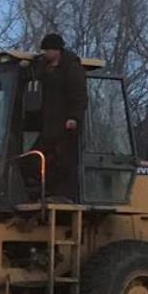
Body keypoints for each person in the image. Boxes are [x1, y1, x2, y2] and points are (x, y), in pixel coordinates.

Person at [33, 33, 87, 201]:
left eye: (47, 50)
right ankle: (43, 191)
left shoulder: (72, 68)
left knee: (63, 160)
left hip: (66, 126)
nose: (44, 53)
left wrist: (73, 117)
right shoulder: (44, 68)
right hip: (49, 124)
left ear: (57, 50)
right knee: (36, 158)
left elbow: (79, 95)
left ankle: (63, 195)